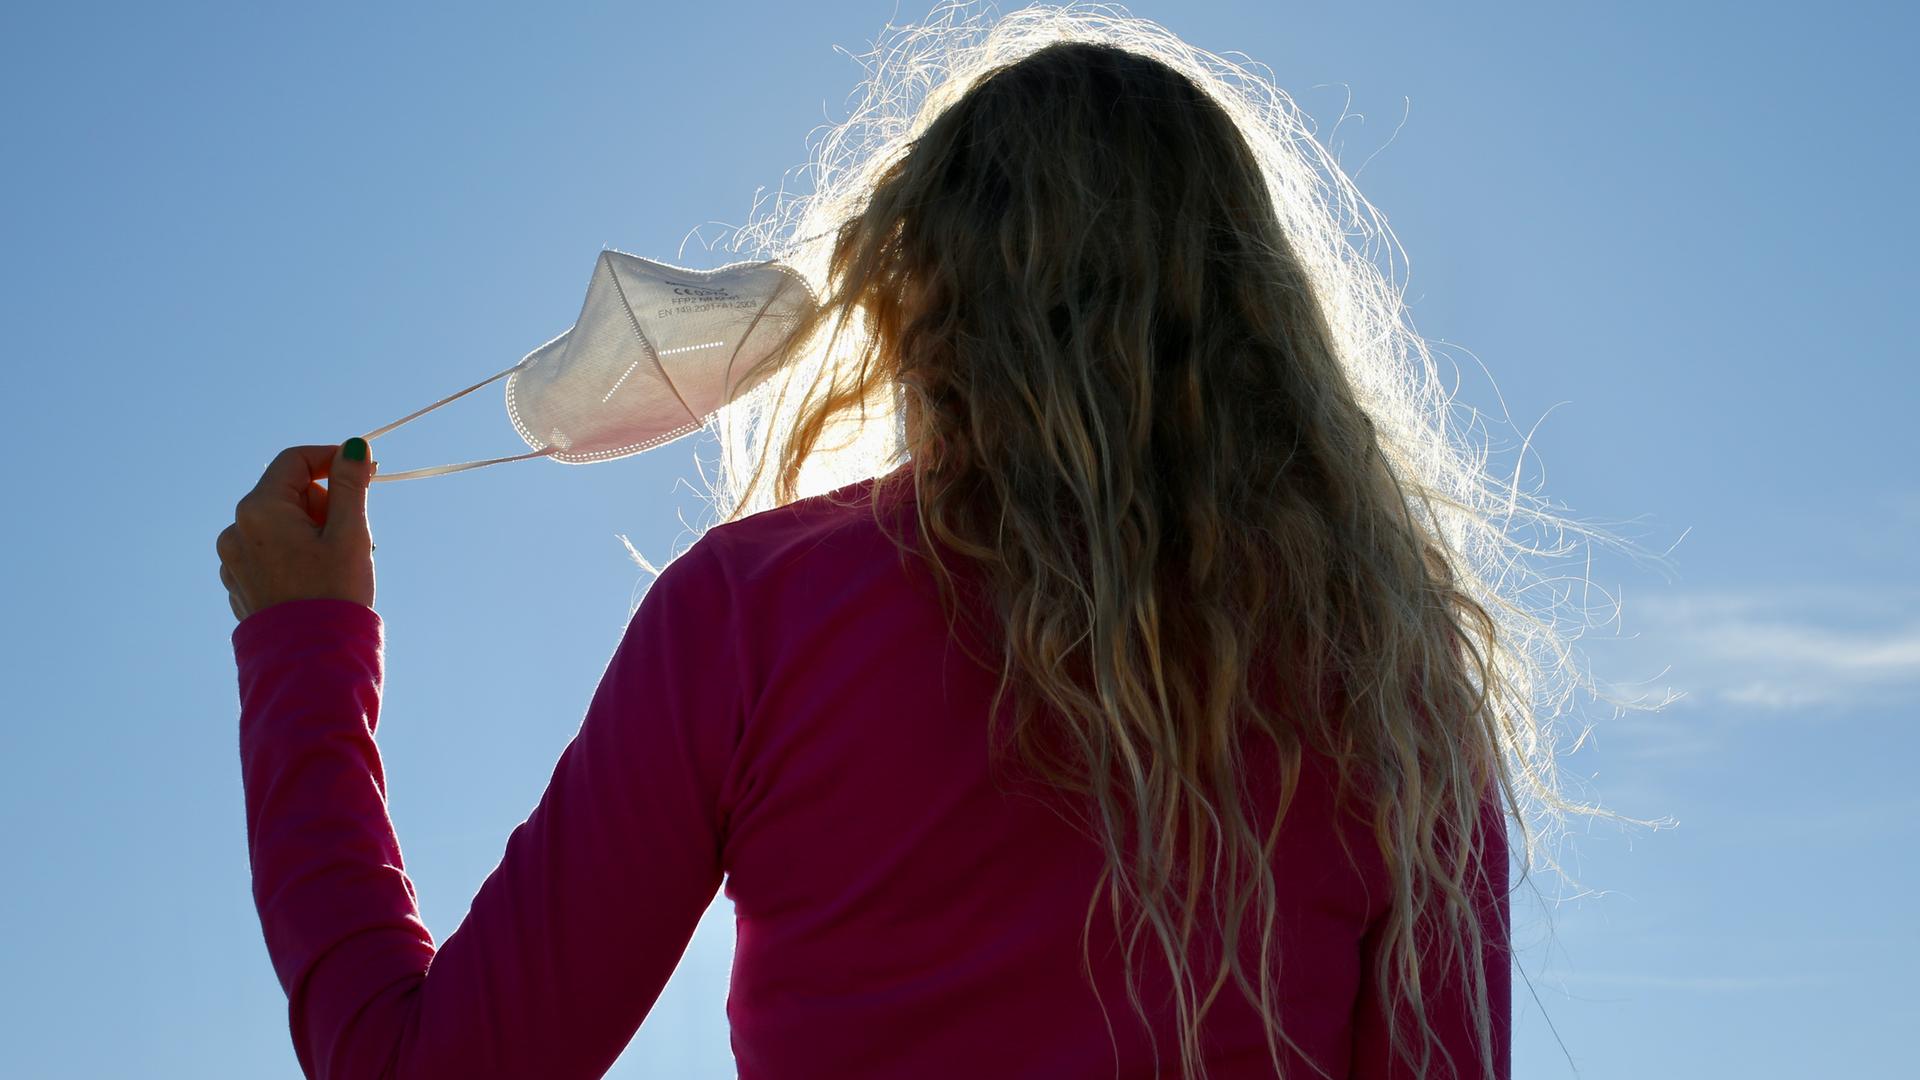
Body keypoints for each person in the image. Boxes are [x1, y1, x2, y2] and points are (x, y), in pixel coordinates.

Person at [218, 10, 1592, 1079]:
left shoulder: (759, 613)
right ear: (1258, 325)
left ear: (912, 294)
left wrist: (301, 645)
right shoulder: (1396, 698)